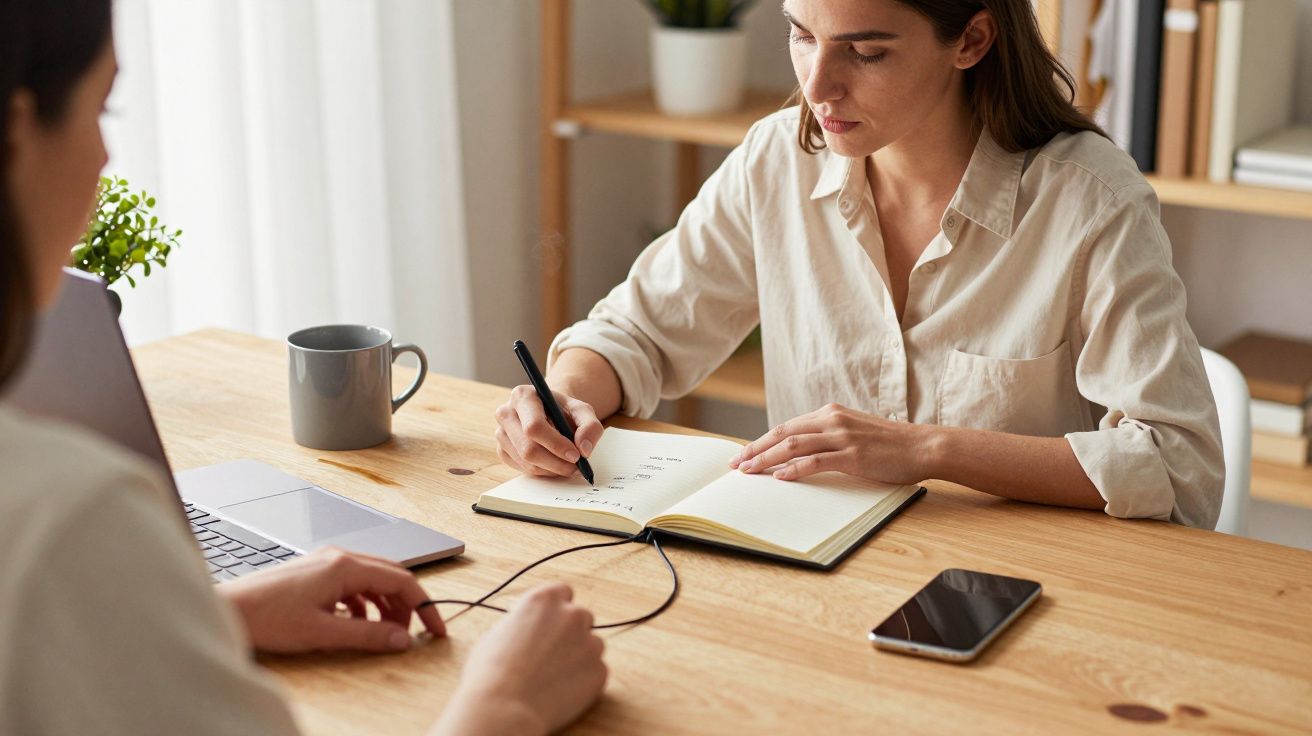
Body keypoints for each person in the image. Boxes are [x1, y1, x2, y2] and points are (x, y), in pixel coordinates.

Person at [0, 1, 606, 733]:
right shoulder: (70, 518)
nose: (105, 158)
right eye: (106, 108)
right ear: (16, 133)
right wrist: (504, 704)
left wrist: (210, 619)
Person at [495, 0, 1224, 528]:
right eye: (800, 36)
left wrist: (929, 450)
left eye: (866, 52)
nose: (817, 87)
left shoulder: (1091, 199)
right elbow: (639, 333)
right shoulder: (777, 158)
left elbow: (1176, 466)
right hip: (818, 568)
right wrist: (562, 398)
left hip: (1025, 587)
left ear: (970, 40)